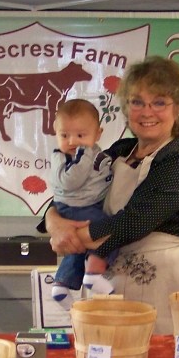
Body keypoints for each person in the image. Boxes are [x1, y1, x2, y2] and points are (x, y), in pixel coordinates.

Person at [40, 56, 179, 334]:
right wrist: (53, 221)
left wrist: (73, 238)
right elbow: (71, 193)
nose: (146, 111)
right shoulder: (119, 150)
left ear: (178, 108)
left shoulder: (178, 163)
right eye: (137, 102)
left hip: (158, 280)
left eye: (159, 102)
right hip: (107, 274)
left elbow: (132, 222)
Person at [49, 99, 115, 305]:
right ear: (55, 132)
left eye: (80, 135)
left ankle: (61, 284)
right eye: (64, 135)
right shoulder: (65, 158)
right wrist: (85, 155)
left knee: (78, 247)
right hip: (78, 208)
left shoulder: (96, 153)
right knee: (109, 235)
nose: (72, 142)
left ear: (98, 134)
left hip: (86, 205)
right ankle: (94, 272)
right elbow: (70, 181)